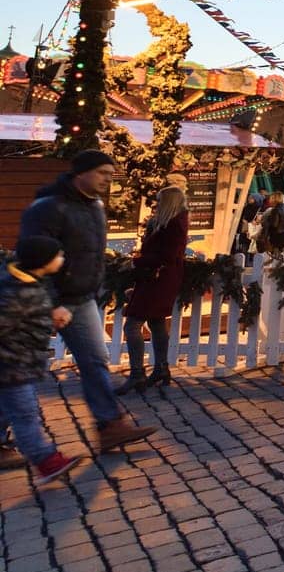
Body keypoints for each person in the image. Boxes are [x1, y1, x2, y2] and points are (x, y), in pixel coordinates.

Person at [18, 150, 155, 451]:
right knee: (19, 368)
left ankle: (109, 425)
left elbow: (90, 254)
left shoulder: (94, 206)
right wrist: (51, 302)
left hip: (81, 299)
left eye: (110, 173)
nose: (108, 178)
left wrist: (94, 287)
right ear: (81, 172)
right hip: (44, 300)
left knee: (96, 361)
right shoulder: (48, 208)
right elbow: (32, 257)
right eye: (102, 172)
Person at [0, 237, 82, 484]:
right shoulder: (19, 291)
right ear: (43, 261)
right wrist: (50, 321)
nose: (62, 258)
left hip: (15, 363)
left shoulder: (29, 282)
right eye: (58, 255)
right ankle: (46, 461)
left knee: (5, 410)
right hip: (12, 365)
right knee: (25, 414)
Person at [119, 185, 189, 394]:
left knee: (132, 325)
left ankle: (137, 374)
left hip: (158, 279)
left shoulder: (173, 225)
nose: (156, 204)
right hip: (162, 278)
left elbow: (166, 256)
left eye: (160, 200)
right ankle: (161, 368)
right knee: (156, 322)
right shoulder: (171, 223)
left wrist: (137, 262)